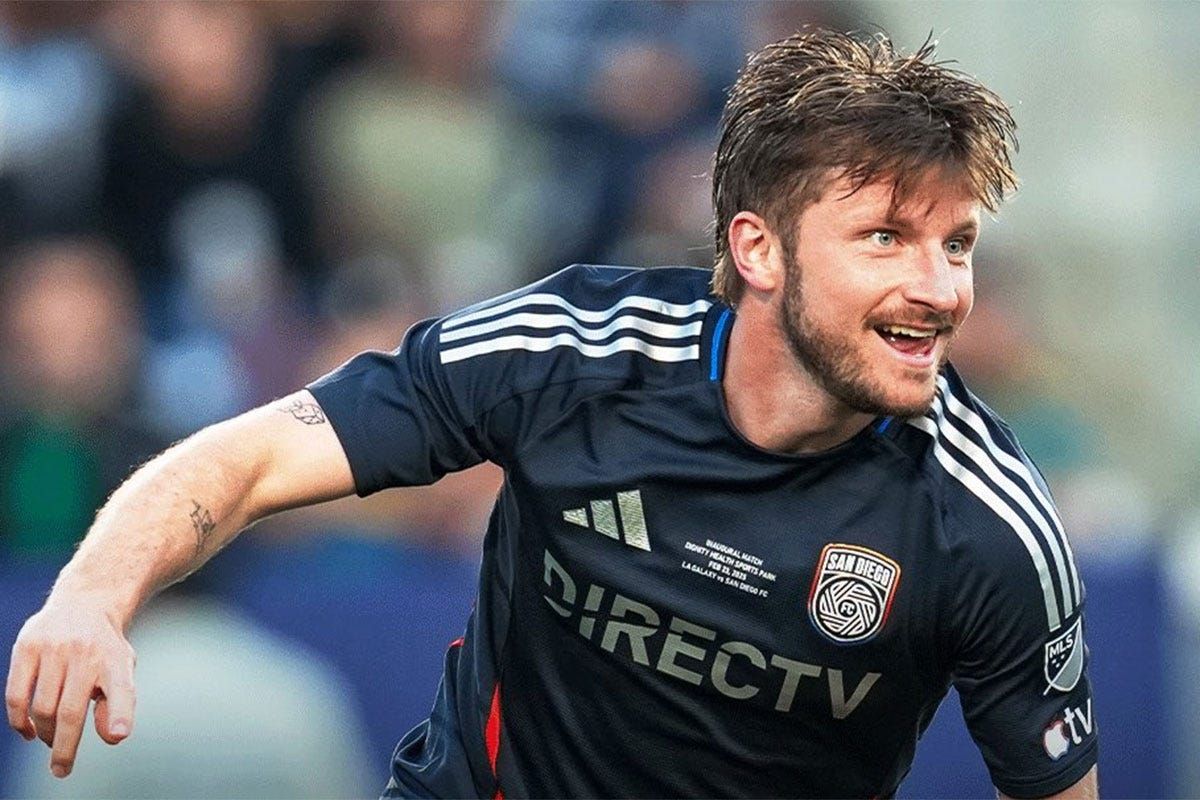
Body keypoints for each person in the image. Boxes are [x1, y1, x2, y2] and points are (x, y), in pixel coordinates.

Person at [5, 28, 1099, 799]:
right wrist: (93, 599)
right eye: (886, 239)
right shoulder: (569, 354)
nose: (941, 288)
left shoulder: (987, 521)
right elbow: (244, 459)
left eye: (957, 244)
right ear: (759, 249)